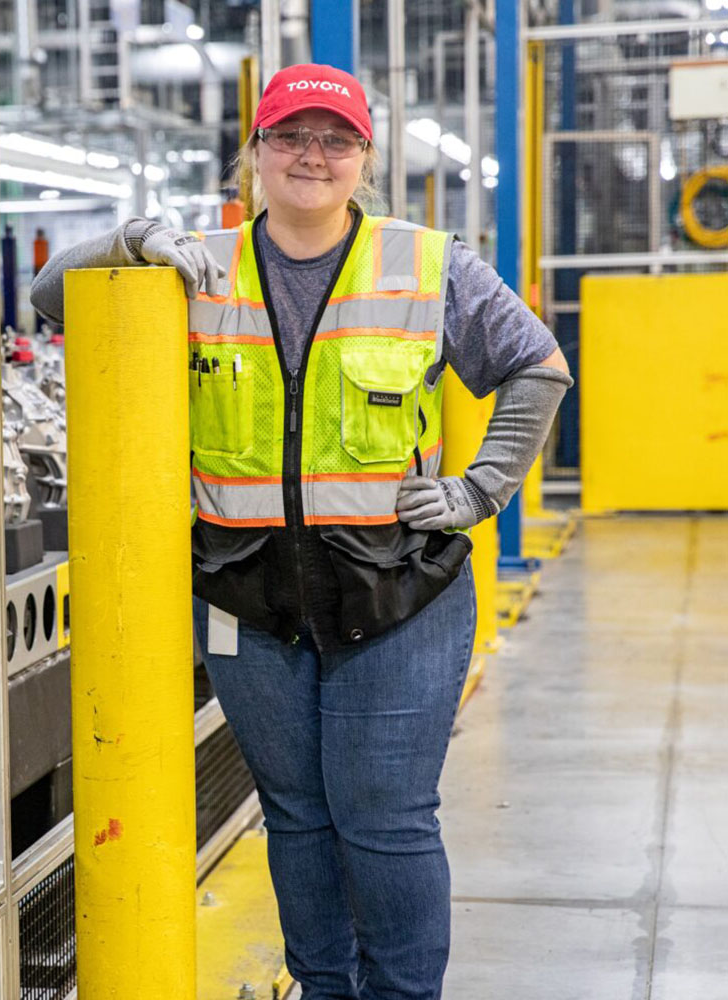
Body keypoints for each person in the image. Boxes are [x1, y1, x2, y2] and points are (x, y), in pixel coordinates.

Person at [32, 62, 571, 1000]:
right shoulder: (194, 267)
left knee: (383, 817)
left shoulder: (428, 263)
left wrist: (482, 488)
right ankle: (324, 988)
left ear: (365, 158)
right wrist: (124, 241)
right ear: (255, 154)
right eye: (288, 137)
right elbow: (49, 299)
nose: (310, 157)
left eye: (334, 140)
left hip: (397, 590)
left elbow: (537, 365)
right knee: (294, 814)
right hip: (249, 598)